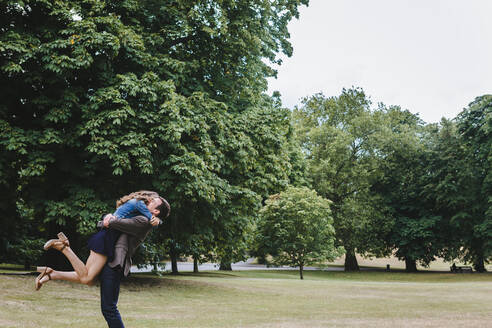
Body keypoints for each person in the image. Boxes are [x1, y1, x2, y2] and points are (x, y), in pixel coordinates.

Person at [35, 191, 170, 289]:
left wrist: (158, 221)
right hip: (107, 239)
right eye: (151, 200)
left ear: (157, 211)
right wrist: (158, 222)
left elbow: (119, 217)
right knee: (87, 277)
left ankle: (51, 273)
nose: (149, 201)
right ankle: (63, 248)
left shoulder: (143, 216)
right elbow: (115, 221)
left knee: (88, 280)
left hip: (107, 238)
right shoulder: (144, 215)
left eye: (153, 202)